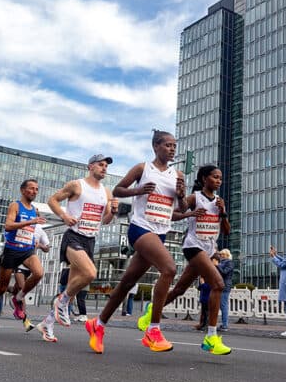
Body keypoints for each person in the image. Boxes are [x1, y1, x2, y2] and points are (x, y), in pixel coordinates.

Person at [86, 131, 186, 354]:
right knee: (169, 268)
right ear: (156, 147)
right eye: (168, 145)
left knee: (127, 283)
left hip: (160, 233)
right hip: (140, 228)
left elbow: (182, 210)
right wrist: (139, 190)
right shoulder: (142, 168)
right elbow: (118, 190)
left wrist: (180, 195)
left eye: (174, 146)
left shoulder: (178, 174)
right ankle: (153, 330)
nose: (172, 149)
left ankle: (98, 324)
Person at [137, 164, 232, 355]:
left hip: (208, 249)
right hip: (193, 247)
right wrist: (190, 213)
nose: (218, 181)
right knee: (218, 285)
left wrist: (223, 213)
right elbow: (172, 213)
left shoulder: (220, 201)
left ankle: (151, 311)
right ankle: (211, 337)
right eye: (215, 177)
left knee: (180, 289)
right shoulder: (194, 197)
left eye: (220, 178)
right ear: (204, 179)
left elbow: (226, 231)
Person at [43, 153, 118, 343]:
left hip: (90, 240)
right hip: (73, 237)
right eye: (100, 165)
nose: (104, 168)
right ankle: (62, 301)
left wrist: (114, 212)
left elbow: (106, 220)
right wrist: (64, 216)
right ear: (90, 166)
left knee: (74, 285)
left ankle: (47, 323)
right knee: (90, 273)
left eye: (106, 166)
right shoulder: (77, 185)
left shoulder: (106, 192)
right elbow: (52, 200)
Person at [0, 179, 48, 336]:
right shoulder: (15, 205)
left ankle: (17, 298)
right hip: (11, 250)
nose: (35, 191)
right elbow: (8, 226)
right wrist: (31, 221)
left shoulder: (35, 209)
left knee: (39, 273)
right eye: (31, 188)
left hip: (27, 250)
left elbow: (32, 228)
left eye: (37, 189)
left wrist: (36, 237)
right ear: (23, 190)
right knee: (2, 287)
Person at [216, 249, 234, 331]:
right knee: (221, 305)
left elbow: (224, 272)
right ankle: (223, 324)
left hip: (225, 285)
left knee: (223, 305)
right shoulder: (221, 263)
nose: (221, 255)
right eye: (220, 254)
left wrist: (217, 265)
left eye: (223, 254)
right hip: (219, 285)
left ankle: (225, 325)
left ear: (227, 255)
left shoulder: (229, 262)